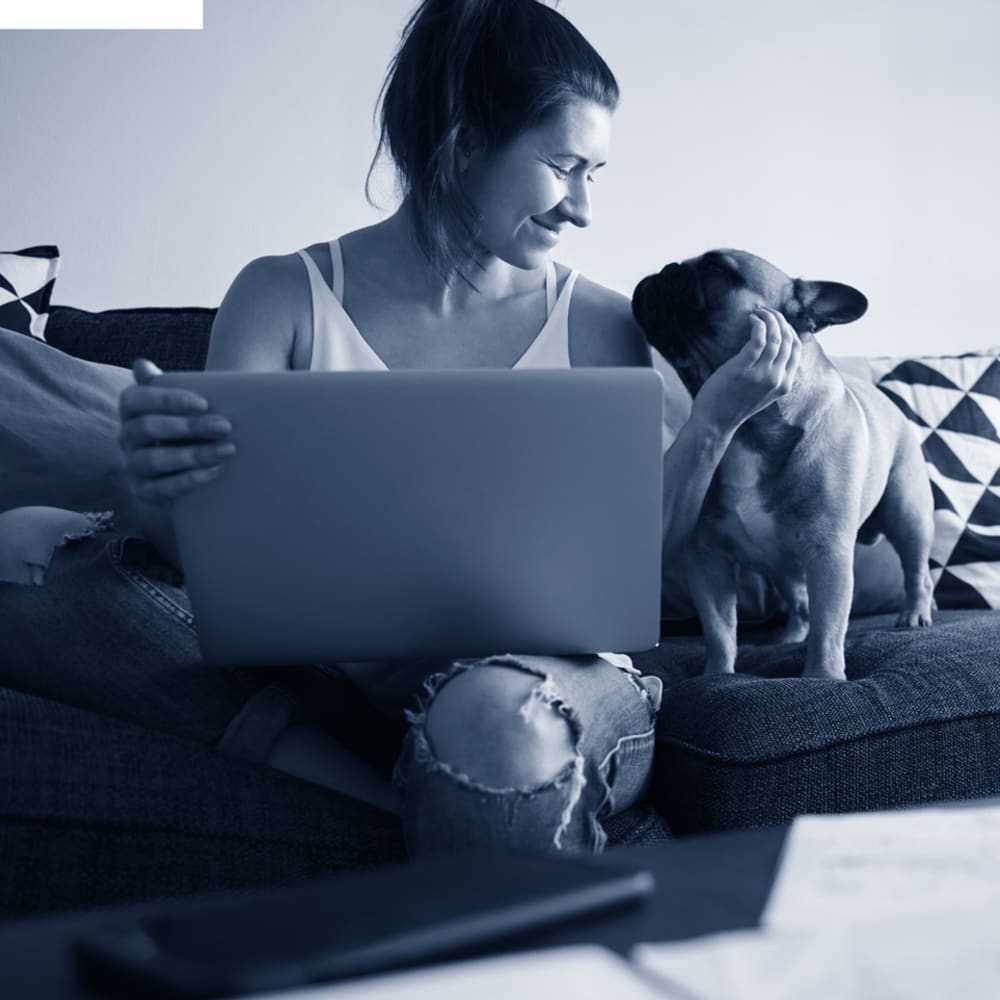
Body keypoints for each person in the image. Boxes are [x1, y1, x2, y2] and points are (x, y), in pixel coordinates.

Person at [11, 0, 802, 853]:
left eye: (593, 174)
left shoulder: (600, 324)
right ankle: (454, 820)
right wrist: (157, 486)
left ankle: (471, 798)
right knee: (30, 583)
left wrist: (714, 419)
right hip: (322, 684)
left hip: (541, 687)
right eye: (565, 166)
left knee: (493, 719)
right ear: (463, 141)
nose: (582, 208)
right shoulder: (281, 297)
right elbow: (212, 562)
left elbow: (633, 567)